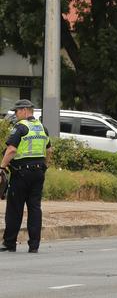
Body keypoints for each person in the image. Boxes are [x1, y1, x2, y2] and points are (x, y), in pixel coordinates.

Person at [1, 99, 52, 253]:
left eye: (16, 111)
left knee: (15, 209)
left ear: (24, 110)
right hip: (38, 173)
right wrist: (45, 166)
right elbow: (49, 151)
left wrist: (1, 167)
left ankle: (10, 243)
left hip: (21, 173)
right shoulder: (42, 128)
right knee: (35, 208)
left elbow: (11, 150)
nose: (16, 115)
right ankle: (34, 245)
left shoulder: (21, 127)